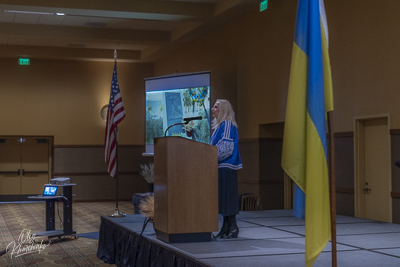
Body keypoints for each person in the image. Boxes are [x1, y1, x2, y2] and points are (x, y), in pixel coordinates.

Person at [210, 99, 242, 239]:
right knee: (223, 198)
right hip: (220, 166)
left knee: (227, 198)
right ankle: (226, 227)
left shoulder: (227, 124)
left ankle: (233, 227)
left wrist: (209, 158)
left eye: (216, 107)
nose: (212, 109)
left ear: (223, 109)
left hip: (226, 166)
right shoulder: (219, 126)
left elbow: (226, 148)